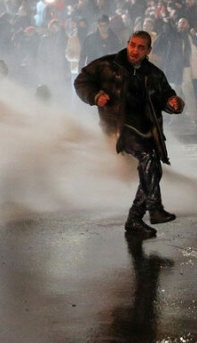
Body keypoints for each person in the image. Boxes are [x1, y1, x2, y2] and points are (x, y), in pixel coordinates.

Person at [74, 31, 185, 237]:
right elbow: (81, 81)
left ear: (148, 51)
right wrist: (95, 95)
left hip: (146, 129)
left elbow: (166, 96)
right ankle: (153, 208)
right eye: (132, 45)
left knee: (153, 168)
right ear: (127, 44)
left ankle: (135, 219)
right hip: (118, 126)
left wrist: (174, 103)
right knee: (149, 158)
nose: (135, 50)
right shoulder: (107, 65)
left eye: (141, 47)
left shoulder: (154, 74)